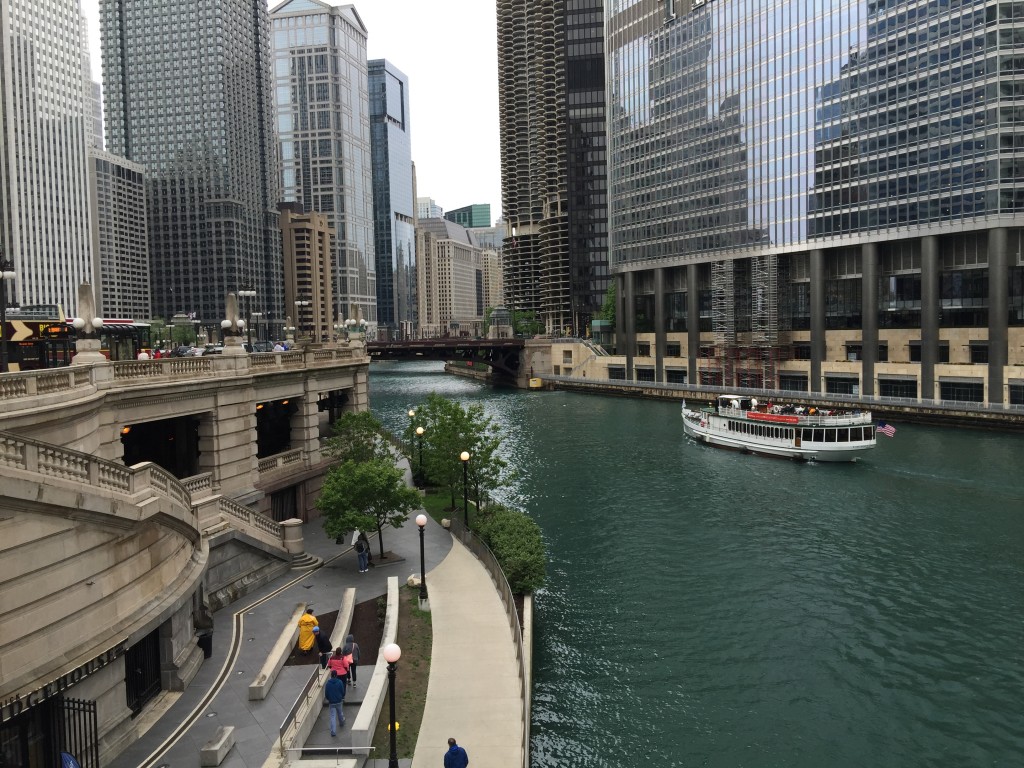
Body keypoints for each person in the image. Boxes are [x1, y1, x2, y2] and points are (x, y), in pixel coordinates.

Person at [324, 670, 346, 737]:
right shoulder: (340, 682)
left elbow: (326, 694)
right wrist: (341, 697)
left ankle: (333, 731)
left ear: (331, 675)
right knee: (340, 713)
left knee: (332, 716)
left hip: (331, 702)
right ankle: (341, 722)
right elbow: (342, 691)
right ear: (336, 675)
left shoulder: (328, 683)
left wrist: (329, 699)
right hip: (339, 701)